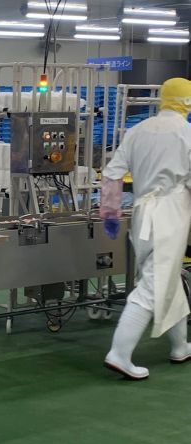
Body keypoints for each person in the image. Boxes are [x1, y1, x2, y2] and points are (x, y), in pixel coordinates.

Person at [101, 77, 191, 380]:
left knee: (167, 278)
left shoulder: (137, 130)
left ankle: (180, 346)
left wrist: (110, 212)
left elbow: (112, 173)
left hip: (141, 213)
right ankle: (119, 353)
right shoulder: (186, 133)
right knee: (154, 284)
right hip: (171, 213)